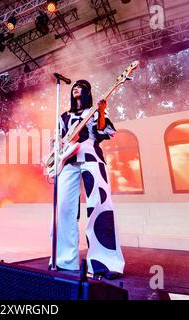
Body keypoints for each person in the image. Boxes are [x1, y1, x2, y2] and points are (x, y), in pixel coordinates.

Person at [50, 79, 125, 280]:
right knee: (64, 209)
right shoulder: (63, 116)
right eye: (74, 87)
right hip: (68, 162)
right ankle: (65, 260)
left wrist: (101, 111)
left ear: (87, 92)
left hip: (91, 157)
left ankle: (105, 262)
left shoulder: (93, 111)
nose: (76, 89)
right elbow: (58, 139)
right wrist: (54, 152)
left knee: (100, 207)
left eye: (81, 87)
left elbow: (102, 132)